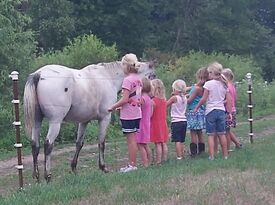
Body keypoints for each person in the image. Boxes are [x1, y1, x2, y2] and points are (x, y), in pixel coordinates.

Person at [108, 53, 142, 172]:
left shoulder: (127, 80)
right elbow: (136, 97)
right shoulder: (138, 79)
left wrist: (113, 106)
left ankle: (132, 165)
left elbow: (125, 99)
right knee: (133, 140)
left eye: (122, 65)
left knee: (130, 141)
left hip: (129, 115)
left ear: (126, 66)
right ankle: (132, 164)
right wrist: (121, 106)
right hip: (137, 113)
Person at [194, 62, 232, 160]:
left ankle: (212, 156)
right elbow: (228, 99)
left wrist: (197, 107)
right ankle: (225, 155)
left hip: (210, 111)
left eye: (209, 73)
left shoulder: (208, 84)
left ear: (211, 73)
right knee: (222, 134)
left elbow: (203, 99)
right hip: (221, 111)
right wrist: (229, 112)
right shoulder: (224, 84)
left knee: (211, 135)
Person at [186, 67, 208, 156]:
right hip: (201, 111)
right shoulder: (204, 88)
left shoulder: (197, 88)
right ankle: (202, 151)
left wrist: (182, 99)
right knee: (200, 132)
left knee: (193, 132)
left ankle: (194, 152)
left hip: (194, 111)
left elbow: (189, 101)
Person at [167, 79, 187, 160]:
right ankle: (182, 154)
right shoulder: (184, 98)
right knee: (182, 140)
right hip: (184, 120)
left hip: (176, 121)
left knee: (177, 140)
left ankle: (179, 156)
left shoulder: (174, 98)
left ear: (175, 89)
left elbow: (166, 104)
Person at [222, 68, 242, 150]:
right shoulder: (233, 86)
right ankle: (237, 143)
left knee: (226, 131)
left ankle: (227, 149)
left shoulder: (228, 87)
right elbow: (235, 98)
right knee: (227, 130)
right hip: (233, 109)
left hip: (228, 110)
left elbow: (228, 99)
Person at [150, 79, 169, 164]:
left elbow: (151, 114)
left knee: (157, 143)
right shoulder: (164, 100)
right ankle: (164, 159)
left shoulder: (153, 101)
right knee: (163, 143)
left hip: (156, 123)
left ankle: (158, 161)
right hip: (163, 123)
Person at [136, 77, 152, 167]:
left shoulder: (142, 98)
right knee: (145, 144)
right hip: (146, 123)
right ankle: (149, 161)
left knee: (140, 145)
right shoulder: (148, 98)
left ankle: (145, 163)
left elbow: (136, 105)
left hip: (141, 123)